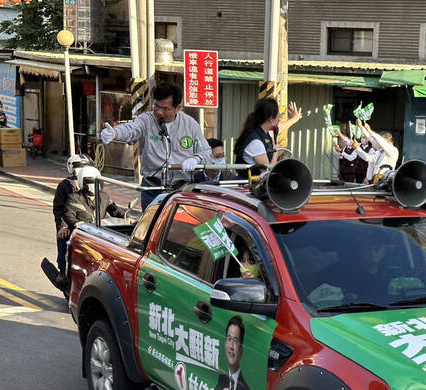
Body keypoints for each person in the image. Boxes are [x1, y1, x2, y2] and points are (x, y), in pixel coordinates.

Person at [99, 82, 212, 210]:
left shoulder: (190, 125)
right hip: (152, 188)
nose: (159, 112)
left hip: (181, 189)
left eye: (165, 108)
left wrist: (195, 159)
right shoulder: (146, 120)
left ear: (177, 108)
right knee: (152, 227)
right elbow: (132, 129)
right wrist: (115, 133)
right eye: (156, 106)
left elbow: (207, 153)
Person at [53, 154, 128, 287]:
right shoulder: (65, 188)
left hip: (96, 227)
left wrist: (128, 218)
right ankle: (62, 270)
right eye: (78, 167)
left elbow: (114, 210)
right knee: (64, 240)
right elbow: (63, 210)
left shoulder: (103, 196)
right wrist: (63, 226)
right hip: (73, 224)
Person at [234, 98, 302, 176]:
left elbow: (281, 127)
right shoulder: (256, 143)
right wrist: (275, 154)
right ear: (271, 119)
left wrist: (294, 118)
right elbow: (267, 173)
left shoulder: (264, 131)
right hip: (250, 185)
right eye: (278, 116)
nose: (280, 119)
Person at [216, 316, 256, 390]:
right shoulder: (221, 379)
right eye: (229, 339)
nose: (231, 346)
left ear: (241, 349)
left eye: (235, 340)